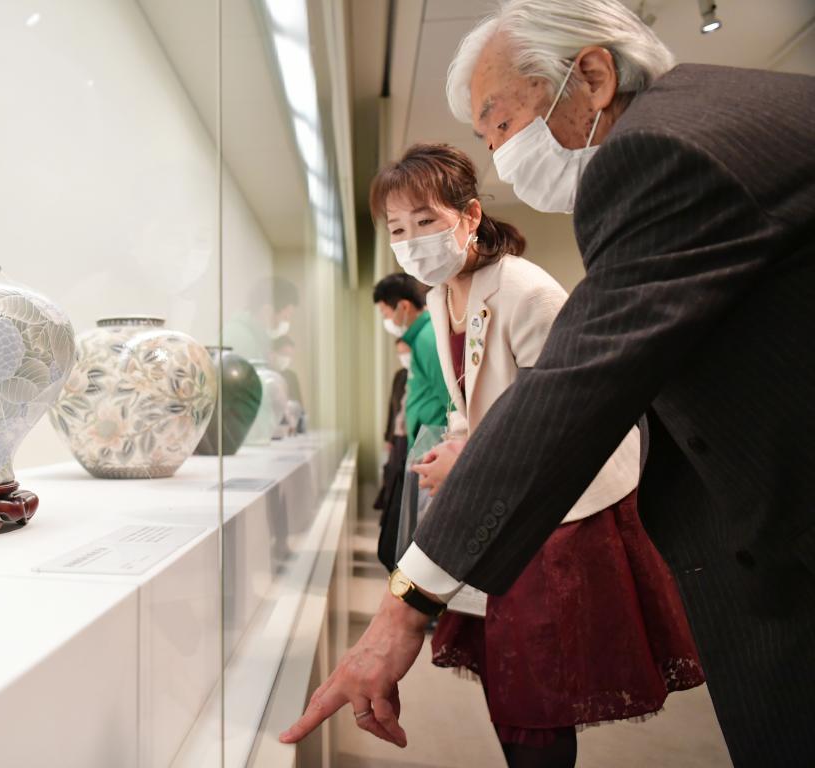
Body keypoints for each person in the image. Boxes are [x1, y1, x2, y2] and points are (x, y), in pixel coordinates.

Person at [281, 2, 815, 766]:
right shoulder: (713, 120)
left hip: (596, 512)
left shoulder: (658, 154)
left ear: (592, 77)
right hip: (729, 513)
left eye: (500, 123)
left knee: (540, 687)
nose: (501, 154)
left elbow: (572, 394)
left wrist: (405, 606)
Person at [385, 142, 704, 768]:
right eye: (397, 229)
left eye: (426, 221)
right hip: (501, 502)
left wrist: (469, 460)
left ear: (470, 216)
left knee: (538, 685)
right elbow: (479, 403)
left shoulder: (526, 289)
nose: (412, 239)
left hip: (562, 512)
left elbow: (561, 420)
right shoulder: (439, 295)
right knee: (512, 677)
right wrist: (458, 443)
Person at [373, 273, 447, 441]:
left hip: (434, 440)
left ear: (404, 307)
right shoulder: (420, 338)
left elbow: (450, 400)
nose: (387, 321)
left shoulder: (427, 338)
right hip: (426, 437)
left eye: (386, 314)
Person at [374, 338, 411, 571]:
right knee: (392, 478)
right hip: (397, 437)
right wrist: (388, 436)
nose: (402, 355)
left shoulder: (419, 371)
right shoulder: (400, 376)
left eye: (405, 351)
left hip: (411, 437)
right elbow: (392, 406)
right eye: (399, 352)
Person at [223, 276, 299, 362]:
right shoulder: (242, 339)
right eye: (285, 317)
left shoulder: (252, 337)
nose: (286, 323)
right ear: (267, 311)